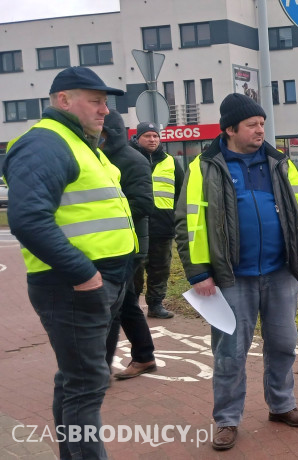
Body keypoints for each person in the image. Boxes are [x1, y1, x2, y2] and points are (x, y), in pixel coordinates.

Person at [175, 93, 298, 451]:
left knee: (285, 343)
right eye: (252, 125)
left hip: (280, 272)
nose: (260, 131)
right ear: (230, 129)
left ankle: (282, 404)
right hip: (230, 278)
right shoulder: (205, 167)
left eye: (262, 125)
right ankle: (226, 420)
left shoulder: (279, 163)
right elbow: (187, 223)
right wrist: (198, 273)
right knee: (230, 352)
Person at [4, 66, 134, 459]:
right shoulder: (46, 143)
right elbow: (27, 218)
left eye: (105, 103)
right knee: (86, 385)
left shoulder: (78, 142)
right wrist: (85, 274)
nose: (104, 111)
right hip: (74, 287)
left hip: (96, 285)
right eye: (95, 102)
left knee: (76, 380)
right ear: (63, 100)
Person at [99, 110, 159, 378]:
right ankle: (143, 356)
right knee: (124, 304)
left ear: (108, 133)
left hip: (130, 244)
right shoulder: (99, 158)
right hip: (110, 243)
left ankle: (102, 369)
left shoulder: (131, 160)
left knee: (116, 306)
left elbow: (145, 203)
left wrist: (106, 211)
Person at [129, 121, 183, 321]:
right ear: (138, 138)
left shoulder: (170, 161)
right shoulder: (128, 159)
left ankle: (155, 304)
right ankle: (131, 304)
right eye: (147, 136)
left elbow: (181, 192)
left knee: (160, 267)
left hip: (163, 225)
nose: (152, 140)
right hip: (135, 224)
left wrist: (175, 218)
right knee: (134, 267)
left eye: (155, 136)